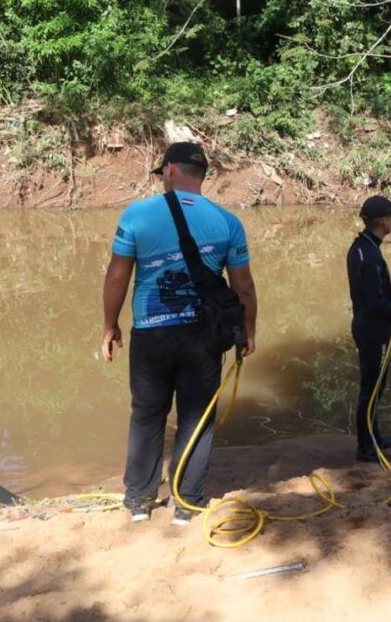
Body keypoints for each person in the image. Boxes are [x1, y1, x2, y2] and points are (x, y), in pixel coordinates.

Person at [101, 142, 257, 525]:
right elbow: (244, 289)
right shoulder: (227, 222)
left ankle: (139, 500)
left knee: (147, 415)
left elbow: (118, 275)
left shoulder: (136, 215)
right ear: (201, 175)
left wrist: (109, 325)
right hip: (204, 336)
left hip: (151, 334)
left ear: (170, 170)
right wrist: (248, 332)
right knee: (197, 418)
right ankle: (187, 505)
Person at [346, 195, 391, 463]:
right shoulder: (370, 255)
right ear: (383, 221)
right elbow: (374, 303)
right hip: (373, 329)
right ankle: (365, 447)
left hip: (368, 324)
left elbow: (376, 295)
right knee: (371, 388)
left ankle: (375, 436)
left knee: (376, 386)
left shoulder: (362, 246)